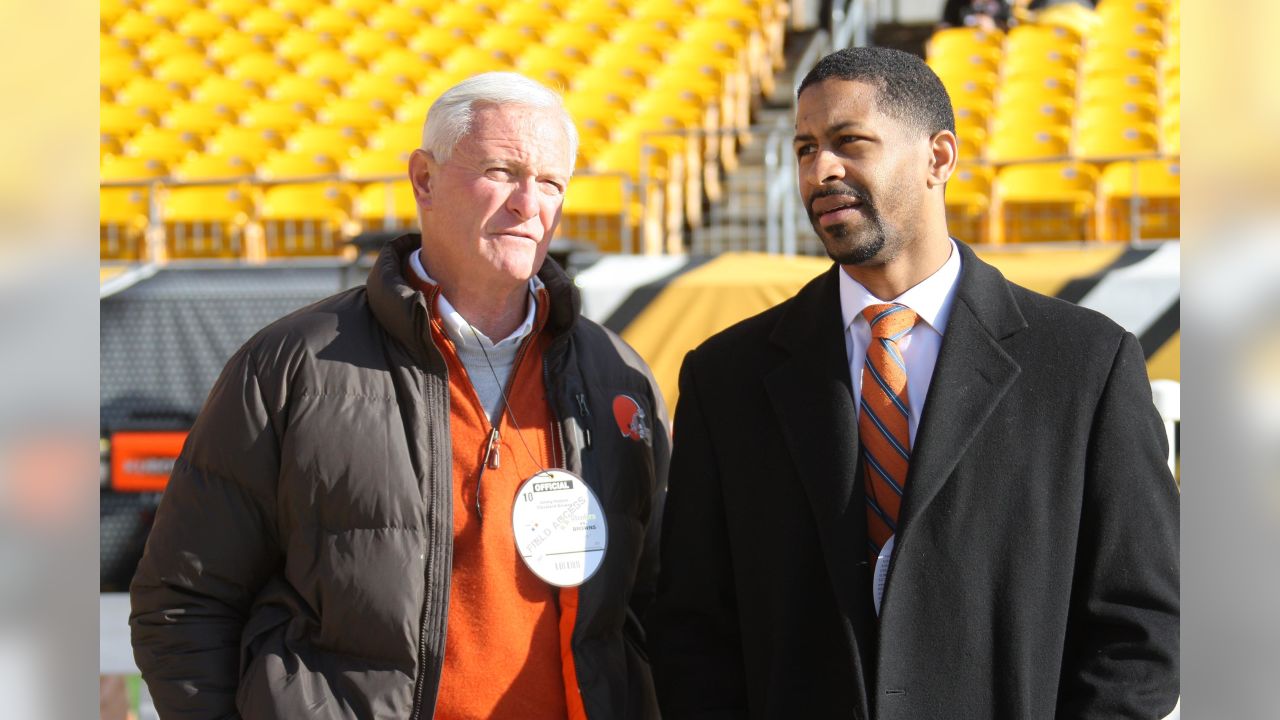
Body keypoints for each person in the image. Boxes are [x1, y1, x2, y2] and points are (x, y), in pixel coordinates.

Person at [647, 47, 1178, 718]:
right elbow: (694, 631)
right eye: (805, 148)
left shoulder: (1086, 365)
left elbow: (1141, 629)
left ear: (940, 157)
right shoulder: (726, 378)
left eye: (849, 143)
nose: (821, 170)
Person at [130, 72, 670, 720]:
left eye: (551, 182)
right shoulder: (288, 367)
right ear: (424, 179)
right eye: (502, 171)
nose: (530, 203)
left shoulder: (620, 379)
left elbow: (661, 609)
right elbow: (183, 602)